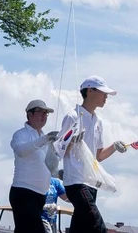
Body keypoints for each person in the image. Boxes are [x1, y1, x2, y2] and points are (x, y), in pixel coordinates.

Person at [59, 76, 126, 233]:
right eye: (103, 93)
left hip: (91, 182)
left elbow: (98, 156)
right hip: (76, 181)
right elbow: (60, 150)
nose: (106, 97)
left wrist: (114, 146)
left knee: (81, 228)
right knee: (96, 225)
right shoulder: (72, 117)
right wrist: (72, 141)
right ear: (89, 91)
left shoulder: (98, 122)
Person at [9, 99, 58, 233]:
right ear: (29, 114)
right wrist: (45, 139)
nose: (44, 116)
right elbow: (20, 150)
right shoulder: (21, 134)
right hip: (24, 192)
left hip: (39, 195)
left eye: (46, 113)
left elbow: (49, 166)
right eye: (40, 112)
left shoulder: (44, 137)